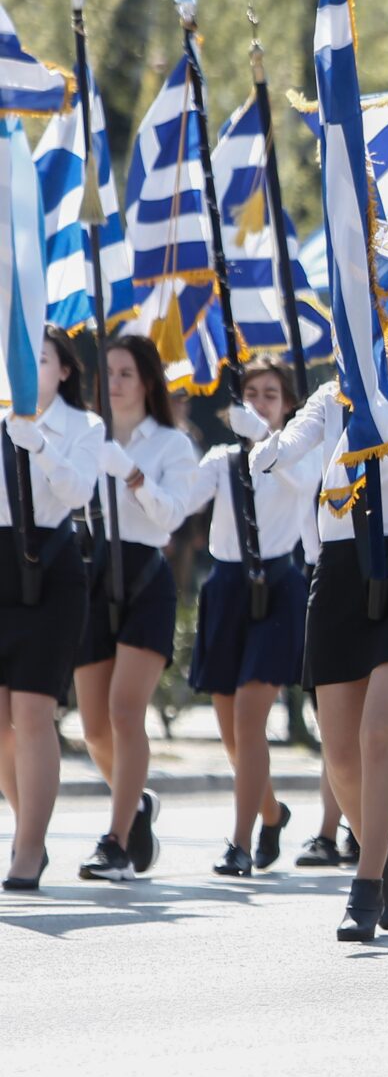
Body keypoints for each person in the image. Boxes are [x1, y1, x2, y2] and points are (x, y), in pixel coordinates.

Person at [241, 286, 388, 940]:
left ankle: (363, 884)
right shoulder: (333, 396)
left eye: (386, 322)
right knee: (338, 752)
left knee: (378, 732)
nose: (372, 332)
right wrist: (268, 446)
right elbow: (293, 441)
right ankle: (378, 853)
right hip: (338, 570)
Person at [73, 337, 198, 881]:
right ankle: (137, 803)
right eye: (109, 373)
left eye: (126, 373)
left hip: (145, 574)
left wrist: (131, 474)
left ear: (147, 381)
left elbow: (172, 516)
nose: (116, 383)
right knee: (94, 728)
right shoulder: (85, 436)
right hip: (94, 572)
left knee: (125, 713)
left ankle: (117, 842)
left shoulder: (172, 444)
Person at [189, 358, 316, 876]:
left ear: (288, 405)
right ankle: (271, 813)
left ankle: (238, 843)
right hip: (226, 588)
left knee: (248, 719)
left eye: (271, 395)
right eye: (252, 394)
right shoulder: (222, 460)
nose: (261, 403)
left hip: (278, 588)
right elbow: (178, 501)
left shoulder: (298, 457)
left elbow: (302, 479)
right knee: (232, 733)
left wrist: (265, 438)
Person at [0, 328, 102, 891]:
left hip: (50, 569)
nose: (25, 367)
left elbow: (77, 493)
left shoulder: (83, 426)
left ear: (64, 370)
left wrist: (37, 441)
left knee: (33, 712)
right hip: (0, 565)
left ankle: (30, 848)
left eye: (39, 359)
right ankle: (26, 824)